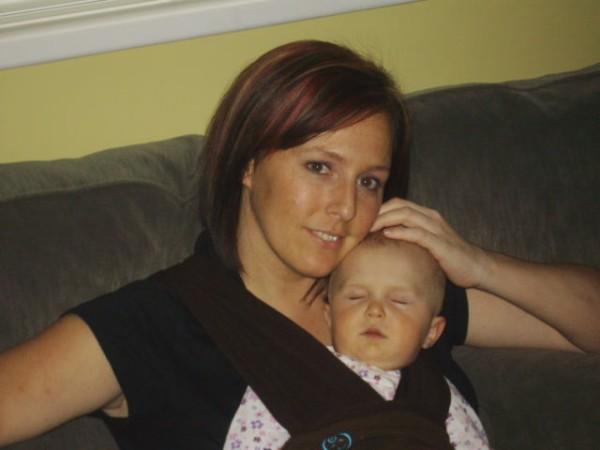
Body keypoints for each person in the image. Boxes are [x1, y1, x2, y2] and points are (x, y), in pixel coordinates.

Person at [1, 40, 599, 449]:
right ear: (248, 164)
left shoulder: (391, 290)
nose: (346, 208)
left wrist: (480, 265)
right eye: (319, 167)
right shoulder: (153, 326)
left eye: (369, 181)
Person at [224, 233, 489, 450]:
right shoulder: (292, 375)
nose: (375, 310)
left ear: (432, 332)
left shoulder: (439, 395)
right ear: (329, 317)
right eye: (356, 297)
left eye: (399, 301)